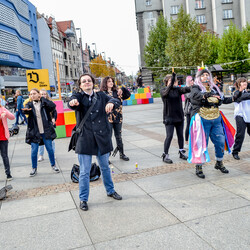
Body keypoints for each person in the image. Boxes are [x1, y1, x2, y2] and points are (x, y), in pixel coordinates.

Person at [68, 73, 122, 211]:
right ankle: (83, 199)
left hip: (101, 138)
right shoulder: (78, 96)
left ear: (93, 83)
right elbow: (72, 101)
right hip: (85, 139)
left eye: (89, 81)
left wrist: (111, 102)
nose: (87, 83)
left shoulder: (102, 96)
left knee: (105, 168)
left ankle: (110, 191)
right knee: (84, 172)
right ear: (80, 85)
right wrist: (72, 102)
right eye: (84, 81)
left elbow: (116, 101)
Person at [189, 68, 234, 178]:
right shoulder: (196, 87)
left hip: (216, 118)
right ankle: (199, 166)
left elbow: (222, 100)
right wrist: (207, 95)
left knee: (220, 141)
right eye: (203, 75)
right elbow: (195, 97)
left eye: (207, 75)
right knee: (202, 143)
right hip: (202, 119)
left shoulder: (214, 88)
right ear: (199, 77)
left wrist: (235, 97)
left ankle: (219, 162)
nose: (206, 77)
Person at [22, 88, 59, 177]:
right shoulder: (29, 104)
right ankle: (34, 168)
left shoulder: (44, 103)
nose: (32, 95)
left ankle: (53, 165)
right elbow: (25, 109)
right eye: (31, 94)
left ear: (39, 94)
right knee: (34, 151)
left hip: (46, 131)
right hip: (35, 132)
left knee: (50, 149)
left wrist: (42, 99)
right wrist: (26, 110)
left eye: (34, 93)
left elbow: (53, 106)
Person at [160, 72, 190, 164]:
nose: (173, 82)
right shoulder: (164, 90)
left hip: (179, 116)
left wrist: (195, 84)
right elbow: (166, 93)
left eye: (175, 81)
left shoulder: (178, 90)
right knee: (169, 136)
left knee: (180, 135)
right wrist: (172, 80)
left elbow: (186, 89)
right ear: (166, 82)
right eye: (171, 81)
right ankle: (165, 154)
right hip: (169, 118)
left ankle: (181, 151)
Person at [100, 76, 131, 161]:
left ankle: (122, 154)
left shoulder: (117, 92)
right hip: (107, 119)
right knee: (108, 137)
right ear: (105, 83)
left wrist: (123, 89)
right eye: (109, 81)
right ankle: (107, 157)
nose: (111, 83)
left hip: (118, 118)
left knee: (119, 136)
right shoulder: (102, 93)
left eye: (112, 81)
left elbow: (128, 95)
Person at [232, 77, 250, 160]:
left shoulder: (247, 92)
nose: (245, 83)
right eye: (243, 82)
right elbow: (241, 97)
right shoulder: (236, 93)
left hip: (248, 115)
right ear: (239, 84)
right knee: (240, 134)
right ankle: (235, 151)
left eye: (245, 82)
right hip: (240, 115)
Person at [38, 89, 57, 162]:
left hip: (49, 125)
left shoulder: (49, 103)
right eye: (41, 94)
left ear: (46, 95)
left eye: (44, 94)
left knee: (51, 140)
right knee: (41, 140)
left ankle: (53, 153)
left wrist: (53, 119)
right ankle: (41, 155)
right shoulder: (38, 103)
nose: (43, 96)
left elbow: (54, 112)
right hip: (41, 125)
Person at [0, 102, 15, 180]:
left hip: (3, 137)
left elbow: (12, 117)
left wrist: (6, 113)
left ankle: (8, 174)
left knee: (4, 156)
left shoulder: (2, 109)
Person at [183, 76, 194, 147]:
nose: (192, 81)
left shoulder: (195, 88)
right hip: (189, 110)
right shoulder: (186, 89)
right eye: (191, 80)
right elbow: (189, 96)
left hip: (195, 109)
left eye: (193, 80)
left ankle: (194, 141)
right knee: (188, 125)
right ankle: (186, 141)